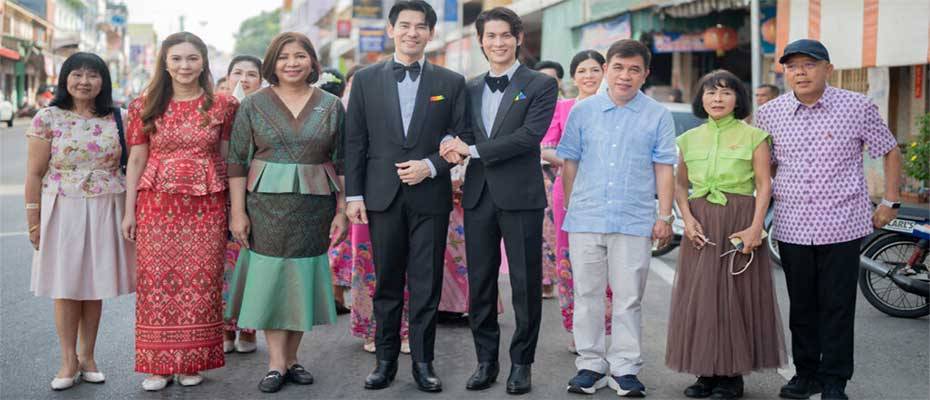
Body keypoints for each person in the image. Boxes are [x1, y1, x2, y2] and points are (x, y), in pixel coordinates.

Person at [755, 39, 902, 400]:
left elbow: (890, 149)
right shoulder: (769, 113)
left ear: (828, 69)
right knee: (802, 306)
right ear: (784, 72)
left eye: (809, 64)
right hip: (791, 224)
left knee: (837, 307)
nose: (800, 72)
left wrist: (890, 201)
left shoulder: (856, 106)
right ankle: (805, 375)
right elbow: (766, 166)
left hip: (843, 223)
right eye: (792, 66)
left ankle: (835, 380)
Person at [344, 0, 468, 392]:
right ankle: (384, 362)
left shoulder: (451, 82)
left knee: (427, 282)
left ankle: (424, 363)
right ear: (391, 29)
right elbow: (355, 142)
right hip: (381, 197)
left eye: (421, 26)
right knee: (387, 284)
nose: (412, 32)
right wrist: (354, 195)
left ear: (431, 33)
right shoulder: (364, 79)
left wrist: (430, 165)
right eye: (405, 25)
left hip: (430, 195)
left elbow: (461, 139)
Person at [440, 7, 558, 395]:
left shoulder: (540, 84)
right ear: (481, 41)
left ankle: (521, 364)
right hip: (477, 197)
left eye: (505, 35)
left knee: (525, 285)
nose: (498, 43)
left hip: (520, 196)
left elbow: (529, 137)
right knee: (482, 284)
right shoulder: (469, 86)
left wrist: (470, 150)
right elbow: (457, 132)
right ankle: (486, 361)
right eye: (490, 36)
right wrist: (450, 145)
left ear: (519, 38)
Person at [224, 32, 346, 394]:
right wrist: (237, 212)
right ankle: (276, 362)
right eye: (283, 57)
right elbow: (235, 162)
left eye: (300, 56)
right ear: (271, 63)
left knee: (300, 279)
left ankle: (293, 358)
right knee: (272, 280)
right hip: (264, 205)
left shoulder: (331, 105)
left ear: (312, 61)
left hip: (315, 204)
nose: (292, 63)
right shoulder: (253, 104)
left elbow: (341, 161)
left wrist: (340, 209)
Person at [556, 39, 675, 397]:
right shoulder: (583, 111)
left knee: (628, 298)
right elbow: (570, 162)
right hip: (586, 218)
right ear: (606, 69)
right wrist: (573, 207)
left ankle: (625, 368)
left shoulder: (658, 114)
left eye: (634, 69)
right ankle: (590, 365)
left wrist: (665, 216)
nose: (625, 76)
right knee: (587, 293)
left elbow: (664, 167)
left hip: (633, 218)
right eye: (619, 67)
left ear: (645, 74)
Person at [122, 32, 239, 391]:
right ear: (165, 62)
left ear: (204, 62)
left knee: (202, 283)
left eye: (192, 58)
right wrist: (130, 212)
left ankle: (192, 361)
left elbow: (227, 157)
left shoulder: (223, 105)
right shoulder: (144, 104)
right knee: (156, 284)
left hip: (208, 205)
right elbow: (137, 159)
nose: (184, 66)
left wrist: (236, 210)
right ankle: (157, 366)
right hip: (157, 205)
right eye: (176, 59)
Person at [665, 69, 787, 399]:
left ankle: (731, 376)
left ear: (738, 99)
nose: (717, 98)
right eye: (710, 92)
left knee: (736, 295)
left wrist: (755, 227)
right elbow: (680, 184)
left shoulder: (755, 136)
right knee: (702, 295)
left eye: (725, 92)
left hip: (739, 221)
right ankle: (706, 372)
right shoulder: (688, 139)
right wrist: (686, 220)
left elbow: (764, 185)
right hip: (700, 222)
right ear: (700, 99)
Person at [25, 52, 136, 391]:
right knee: (66, 285)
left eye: (93, 75)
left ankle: (88, 357)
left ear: (104, 80)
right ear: (65, 79)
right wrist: (33, 218)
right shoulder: (47, 118)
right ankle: (67, 360)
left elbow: (134, 165)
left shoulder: (121, 117)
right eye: (77, 74)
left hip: (107, 206)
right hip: (63, 206)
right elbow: (34, 172)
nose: (84, 81)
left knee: (94, 284)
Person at [542, 49, 612, 353]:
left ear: (604, 72)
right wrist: (576, 161)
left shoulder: (616, 106)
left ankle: (606, 328)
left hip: (608, 193)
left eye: (594, 70)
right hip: (568, 192)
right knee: (571, 259)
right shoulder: (562, 107)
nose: (588, 76)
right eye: (582, 71)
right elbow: (545, 148)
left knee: (607, 259)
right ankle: (577, 328)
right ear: (573, 76)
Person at [221, 54, 263, 355]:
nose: (243, 79)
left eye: (251, 74)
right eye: (237, 72)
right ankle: (224, 328)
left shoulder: (265, 110)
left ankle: (248, 328)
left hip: (259, 196)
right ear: (226, 78)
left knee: (251, 264)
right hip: (219, 196)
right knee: (223, 266)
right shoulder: (214, 110)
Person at [318, 67, 354, 315]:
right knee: (335, 241)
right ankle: (331, 293)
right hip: (325, 182)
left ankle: (334, 293)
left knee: (338, 241)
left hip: (334, 181)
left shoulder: (340, 111)